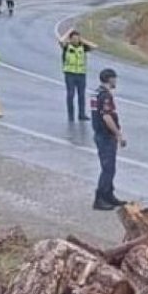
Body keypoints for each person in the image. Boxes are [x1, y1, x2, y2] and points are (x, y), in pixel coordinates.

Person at [91, 68, 127, 210]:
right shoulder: (105, 96)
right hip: (105, 136)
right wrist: (118, 134)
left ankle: (109, 195)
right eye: (114, 78)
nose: (116, 81)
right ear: (110, 79)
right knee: (108, 169)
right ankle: (100, 198)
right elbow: (107, 116)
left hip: (100, 134)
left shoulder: (97, 92)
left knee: (109, 168)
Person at [58, 30, 96, 122]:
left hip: (81, 74)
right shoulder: (67, 47)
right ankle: (71, 115)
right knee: (70, 95)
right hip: (70, 74)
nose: (76, 40)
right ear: (70, 39)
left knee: (81, 95)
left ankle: (81, 114)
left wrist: (82, 40)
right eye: (74, 38)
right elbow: (60, 41)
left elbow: (94, 47)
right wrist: (68, 33)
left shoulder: (82, 47)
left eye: (77, 38)